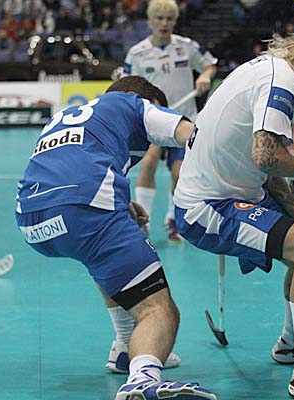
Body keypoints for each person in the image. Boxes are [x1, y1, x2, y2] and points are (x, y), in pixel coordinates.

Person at [174, 22, 294, 399]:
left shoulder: (270, 67)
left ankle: (292, 345)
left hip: (229, 189)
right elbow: (265, 155)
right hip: (207, 206)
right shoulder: (283, 83)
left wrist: (291, 204)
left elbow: (260, 163)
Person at [15, 76, 216, 400]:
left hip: (32, 223)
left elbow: (67, 168)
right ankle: (143, 379)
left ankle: (125, 347)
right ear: (139, 97)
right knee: (159, 309)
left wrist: (121, 205)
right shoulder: (131, 103)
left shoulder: (66, 116)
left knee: (105, 252)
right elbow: (193, 136)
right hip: (84, 214)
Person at [122, 0, 217, 242]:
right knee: (148, 162)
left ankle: (174, 219)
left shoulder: (187, 47)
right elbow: (126, 85)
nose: (164, 23)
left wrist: (205, 77)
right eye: (159, 18)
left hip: (183, 121)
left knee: (180, 173)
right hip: (152, 120)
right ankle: (143, 224)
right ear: (150, 21)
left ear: (175, 21)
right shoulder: (137, 53)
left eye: (169, 19)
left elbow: (210, 65)